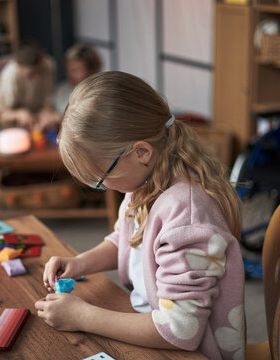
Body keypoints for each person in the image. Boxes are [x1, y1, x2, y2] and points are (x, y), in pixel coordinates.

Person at [35, 71, 246, 359]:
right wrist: (80, 262)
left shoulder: (186, 215)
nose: (104, 187)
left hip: (190, 350)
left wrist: (83, 316)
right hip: (151, 323)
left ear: (141, 153)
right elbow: (127, 238)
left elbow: (181, 330)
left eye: (101, 179)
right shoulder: (147, 180)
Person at [0, 40, 55, 130]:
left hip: (37, 117)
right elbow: (1, 115)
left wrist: (45, 114)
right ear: (18, 65)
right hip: (12, 120)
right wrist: (17, 114)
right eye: (31, 75)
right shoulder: (10, 76)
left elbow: (48, 101)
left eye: (40, 71)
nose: (37, 78)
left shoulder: (49, 65)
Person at [36, 44, 103, 132]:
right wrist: (45, 113)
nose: (70, 75)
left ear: (93, 70)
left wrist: (59, 119)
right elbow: (49, 106)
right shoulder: (64, 88)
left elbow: (89, 122)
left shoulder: (101, 93)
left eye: (76, 70)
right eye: (68, 70)